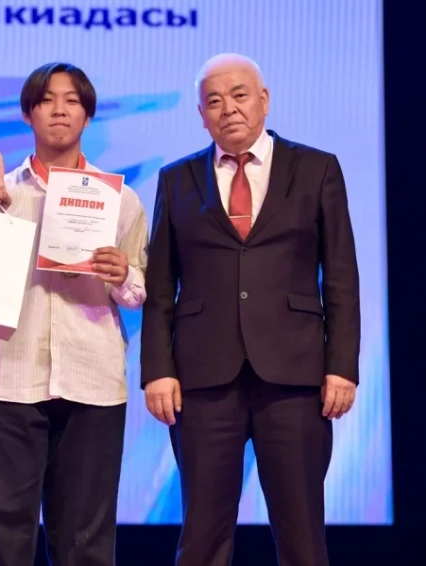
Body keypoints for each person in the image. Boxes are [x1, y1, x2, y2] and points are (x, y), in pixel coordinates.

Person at [140, 53, 361, 566]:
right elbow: (160, 286)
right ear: (201, 116)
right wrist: (157, 371)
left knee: (302, 536)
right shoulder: (177, 179)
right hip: (202, 379)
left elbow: (342, 276)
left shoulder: (317, 168)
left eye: (239, 95)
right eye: (214, 101)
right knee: (202, 537)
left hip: (296, 376)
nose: (229, 109)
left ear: (264, 100)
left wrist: (341, 367)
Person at [0, 62, 148, 566]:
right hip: (8, 380)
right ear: (28, 113)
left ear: (88, 115)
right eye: (46, 100)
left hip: (92, 382)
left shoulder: (121, 200)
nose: (59, 110)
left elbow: (138, 294)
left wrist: (121, 275)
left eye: (72, 100)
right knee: (0, 538)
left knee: (84, 541)